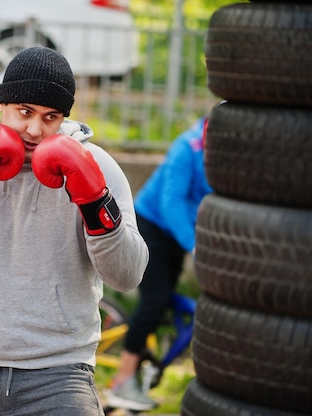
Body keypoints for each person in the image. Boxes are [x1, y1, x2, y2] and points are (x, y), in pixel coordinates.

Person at [0, 46, 148, 416]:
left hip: (61, 375)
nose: (35, 129)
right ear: (1, 105)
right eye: (24, 113)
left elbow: (127, 276)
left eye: (50, 117)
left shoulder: (98, 167)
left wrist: (95, 202)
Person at [106, 116, 212, 411]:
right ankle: (123, 380)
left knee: (164, 302)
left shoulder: (228, 153)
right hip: (152, 226)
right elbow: (171, 202)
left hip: (177, 234)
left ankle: (143, 367)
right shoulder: (186, 149)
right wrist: (193, 244)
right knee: (154, 302)